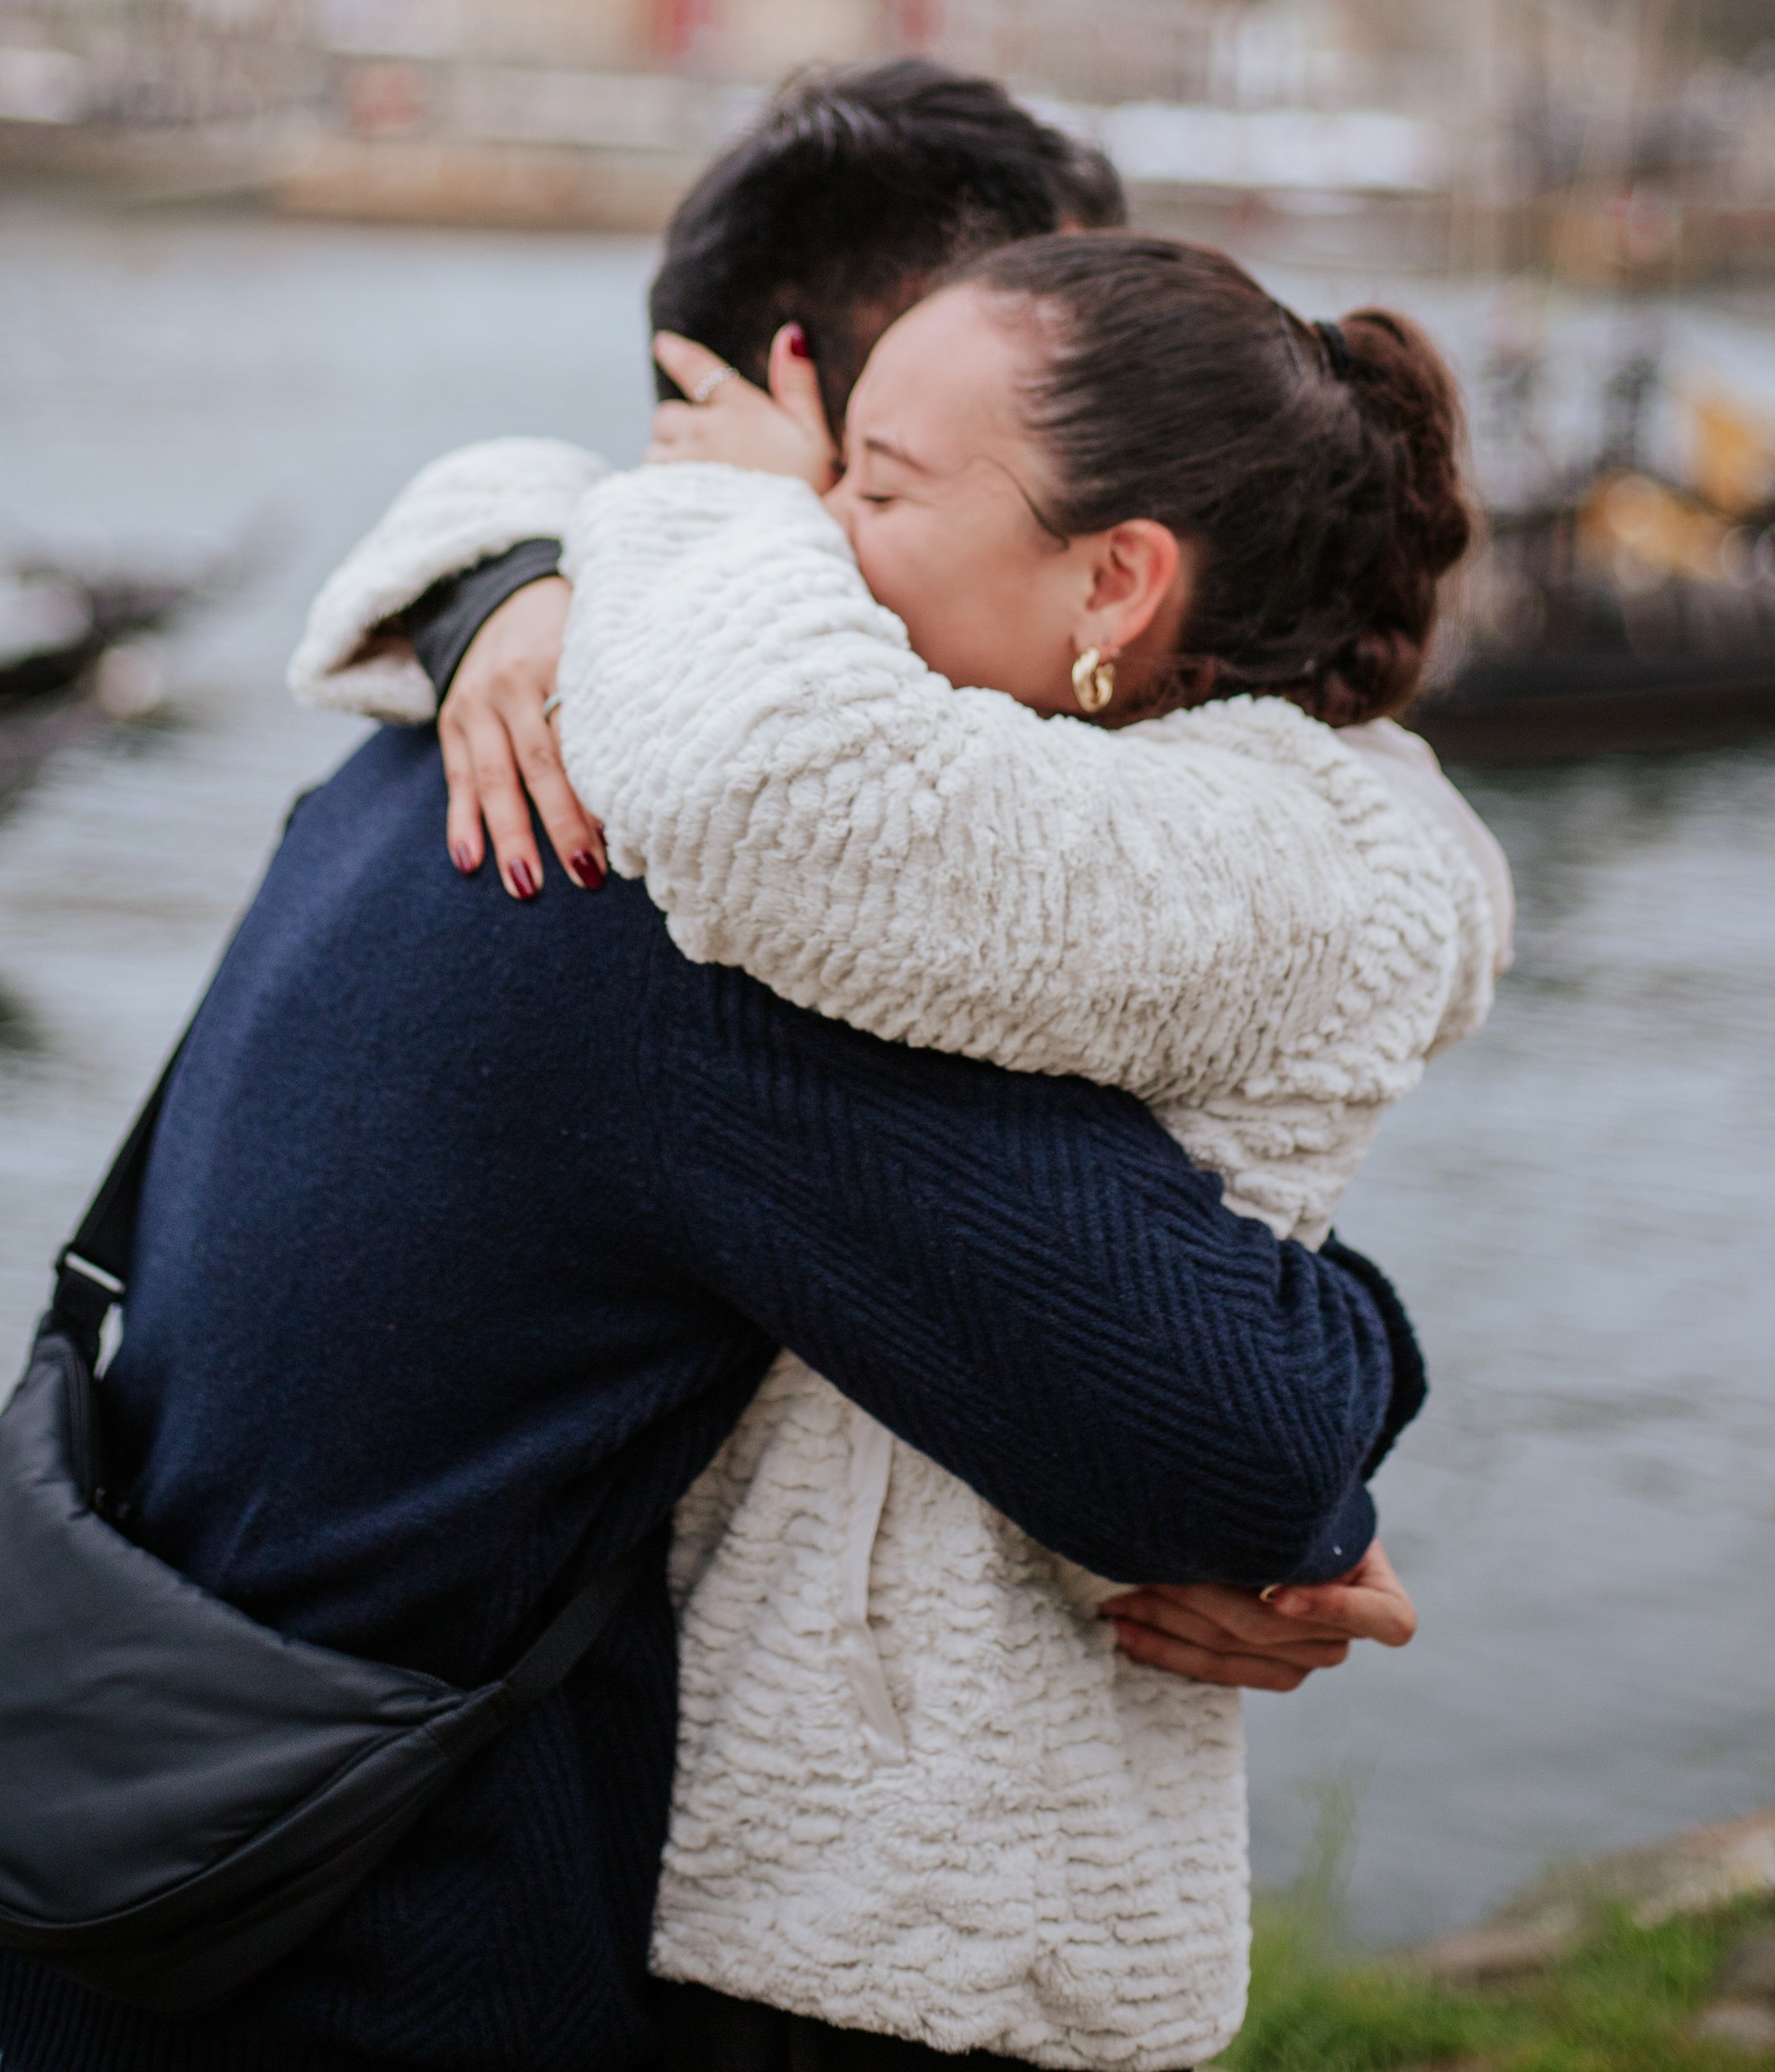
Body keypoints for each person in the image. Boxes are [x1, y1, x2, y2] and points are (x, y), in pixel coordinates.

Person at [0, 66, 1423, 2072]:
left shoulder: (433, 741)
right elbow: (1234, 1433)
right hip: (365, 1955)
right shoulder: (685, 880)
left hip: (128, 1884)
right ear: (811, 392)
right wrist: (1332, 1453)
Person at [313, 226, 1510, 2066]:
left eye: (866, 485)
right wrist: (516, 581)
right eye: (816, 469)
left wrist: (707, 530)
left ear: (1114, 581)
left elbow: (770, 790)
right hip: (823, 1872)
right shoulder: (1049, 771)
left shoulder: (1273, 849)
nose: (816, 523)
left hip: (946, 1926)